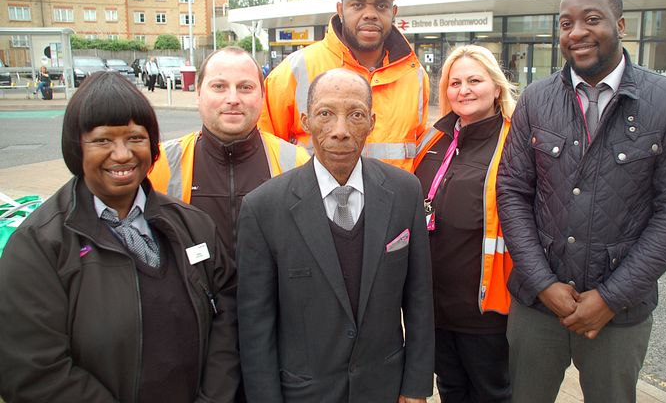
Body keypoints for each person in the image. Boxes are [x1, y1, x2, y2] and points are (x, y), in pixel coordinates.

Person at [497, 0, 666, 402]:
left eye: (592, 19)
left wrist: (612, 297)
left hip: (619, 314)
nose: (577, 32)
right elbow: (512, 192)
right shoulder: (536, 100)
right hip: (537, 307)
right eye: (566, 23)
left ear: (621, 24)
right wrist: (542, 283)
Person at [0, 71, 240, 402]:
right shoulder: (40, 246)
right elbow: (33, 368)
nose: (122, 154)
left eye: (135, 138)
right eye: (102, 140)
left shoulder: (193, 226)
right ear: (76, 147)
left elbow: (227, 318)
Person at [237, 69, 434, 403]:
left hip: (383, 388)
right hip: (304, 393)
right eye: (326, 114)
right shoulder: (263, 208)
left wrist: (415, 386)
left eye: (355, 115)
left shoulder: (404, 192)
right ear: (306, 121)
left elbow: (419, 299)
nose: (341, 131)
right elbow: (256, 326)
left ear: (371, 122)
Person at [413, 45, 516, 402]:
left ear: (497, 87)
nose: (464, 89)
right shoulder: (434, 138)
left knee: (490, 393)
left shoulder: (514, 142)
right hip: (437, 307)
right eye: (455, 82)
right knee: (452, 390)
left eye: (475, 80)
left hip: (485, 309)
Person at [258, 0, 429, 172]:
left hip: (390, 203)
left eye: (381, 6)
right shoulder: (292, 72)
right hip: (311, 202)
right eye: (357, 5)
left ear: (393, 12)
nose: (370, 14)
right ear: (340, 10)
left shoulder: (414, 75)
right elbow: (264, 151)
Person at [149, 46, 309, 257]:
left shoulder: (297, 162)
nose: (233, 98)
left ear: (262, 96)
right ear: (198, 93)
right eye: (219, 86)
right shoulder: (157, 163)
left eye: (245, 87)